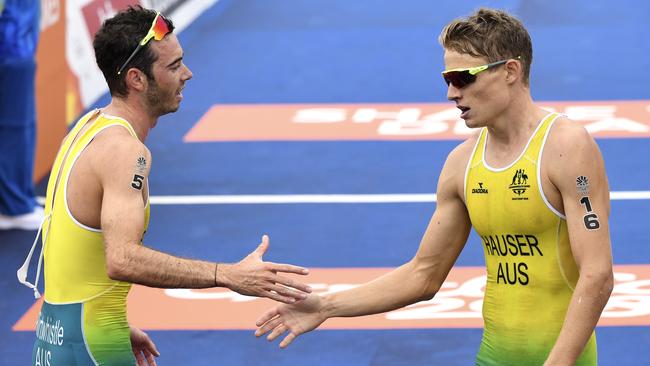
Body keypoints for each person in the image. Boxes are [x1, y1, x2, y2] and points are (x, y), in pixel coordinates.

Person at [255, 8, 613, 366]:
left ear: (510, 71)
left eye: (463, 78)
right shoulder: (461, 164)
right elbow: (424, 275)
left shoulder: (567, 147)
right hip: (493, 357)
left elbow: (597, 276)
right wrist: (326, 306)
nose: (450, 93)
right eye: (447, 79)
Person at [17, 6, 312, 366]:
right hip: (92, 346)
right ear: (137, 79)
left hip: (59, 334)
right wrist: (227, 275)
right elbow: (122, 259)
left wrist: (112, 320)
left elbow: (72, 254)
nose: (187, 74)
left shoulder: (87, 126)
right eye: (173, 66)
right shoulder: (126, 152)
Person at [0, 0, 45, 230]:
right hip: (11, 48)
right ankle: (13, 206)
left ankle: (16, 202)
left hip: (17, 44)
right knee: (14, 127)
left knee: (18, 127)